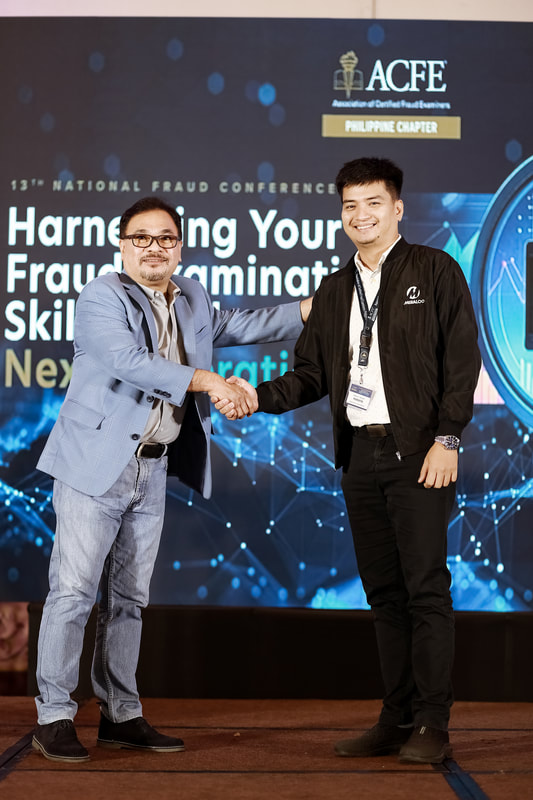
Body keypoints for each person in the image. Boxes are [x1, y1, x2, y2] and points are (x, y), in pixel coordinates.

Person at [33, 196, 312, 763]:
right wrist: (210, 381)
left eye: (165, 238)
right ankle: (54, 716)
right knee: (73, 593)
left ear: (179, 247)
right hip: (93, 465)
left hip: (152, 466)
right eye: (141, 238)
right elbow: (129, 360)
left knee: (130, 600)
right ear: (122, 245)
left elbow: (241, 324)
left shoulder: (193, 297)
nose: (153, 248)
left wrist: (312, 307)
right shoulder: (100, 295)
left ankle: (121, 714)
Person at [223, 157, 481, 764]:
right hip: (360, 457)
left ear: (398, 208)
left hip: (421, 454)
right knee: (384, 594)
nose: (361, 216)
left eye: (373, 203)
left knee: (425, 589)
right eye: (350, 206)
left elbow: (461, 360)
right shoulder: (336, 291)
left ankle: (433, 723)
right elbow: (310, 375)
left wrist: (449, 438)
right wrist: (257, 397)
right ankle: (395, 719)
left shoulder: (435, 270)